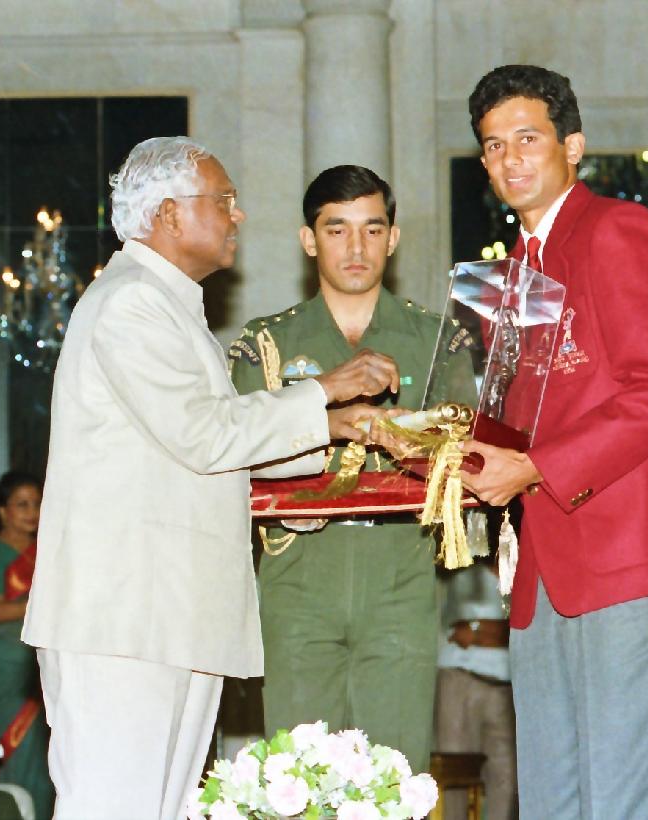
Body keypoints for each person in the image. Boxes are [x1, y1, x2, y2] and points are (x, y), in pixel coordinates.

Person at [20, 136, 400, 820]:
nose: (238, 216)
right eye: (223, 200)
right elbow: (204, 434)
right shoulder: (131, 302)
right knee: (116, 808)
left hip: (165, 612)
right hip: (124, 618)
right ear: (169, 213)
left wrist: (336, 427)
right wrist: (324, 392)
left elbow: (206, 440)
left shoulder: (164, 302)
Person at [456, 65, 648, 817]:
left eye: (527, 139)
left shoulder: (617, 229)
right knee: (554, 796)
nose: (510, 159)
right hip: (543, 565)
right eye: (493, 146)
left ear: (571, 146)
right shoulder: (508, 274)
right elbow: (516, 416)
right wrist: (454, 455)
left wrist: (532, 467)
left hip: (628, 553)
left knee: (628, 795)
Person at [228, 164, 476, 771]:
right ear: (309, 240)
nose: (356, 246)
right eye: (336, 229)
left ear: (393, 239)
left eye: (372, 229)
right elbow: (232, 455)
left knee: (395, 774)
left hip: (400, 573)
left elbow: (468, 458)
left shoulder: (437, 339)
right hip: (298, 577)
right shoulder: (267, 344)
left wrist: (409, 438)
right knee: (297, 777)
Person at [0, 471, 52, 820]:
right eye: (22, 505)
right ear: (3, 511)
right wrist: (45, 602)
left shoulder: (47, 550)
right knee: (7, 752)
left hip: (39, 660)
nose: (32, 512)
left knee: (41, 755)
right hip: (4, 666)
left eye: (36, 504)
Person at [435, 559, 516, 820]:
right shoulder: (464, 570)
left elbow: (524, 629)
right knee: (454, 776)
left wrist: (480, 629)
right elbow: (459, 631)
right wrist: (496, 631)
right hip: (461, 679)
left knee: (507, 780)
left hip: (506, 687)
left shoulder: (524, 572)